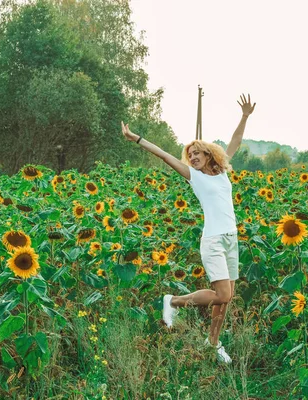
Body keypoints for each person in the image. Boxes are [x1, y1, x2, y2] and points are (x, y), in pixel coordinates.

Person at [121, 94, 256, 363]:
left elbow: (236, 142)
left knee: (224, 300)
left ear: (209, 155)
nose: (192, 157)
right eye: (190, 155)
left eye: (197, 153)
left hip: (231, 239)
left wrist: (244, 116)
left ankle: (213, 343)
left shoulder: (222, 171)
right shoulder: (193, 176)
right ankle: (174, 301)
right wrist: (137, 139)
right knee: (223, 294)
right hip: (214, 240)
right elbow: (163, 154)